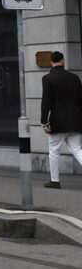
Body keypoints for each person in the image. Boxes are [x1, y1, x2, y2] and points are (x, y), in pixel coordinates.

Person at [40, 50, 82, 188]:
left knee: (54, 150)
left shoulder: (48, 78)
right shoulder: (74, 77)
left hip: (58, 121)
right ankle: (54, 180)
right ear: (63, 61)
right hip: (75, 120)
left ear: (51, 62)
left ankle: (55, 180)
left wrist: (44, 122)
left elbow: (46, 102)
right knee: (77, 149)